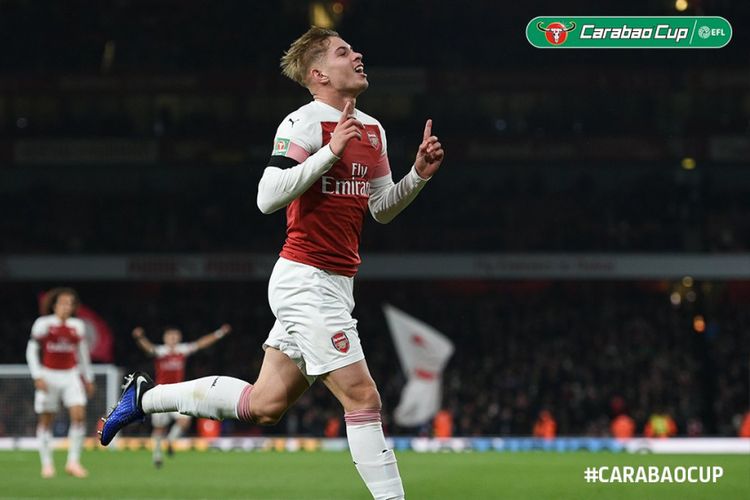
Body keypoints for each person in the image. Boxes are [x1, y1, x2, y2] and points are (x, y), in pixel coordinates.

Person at [101, 26, 444, 500]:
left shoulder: (373, 130)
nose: (358, 54)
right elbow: (267, 197)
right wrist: (329, 153)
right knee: (363, 397)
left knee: (263, 405)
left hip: (338, 281)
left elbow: (381, 206)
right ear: (319, 73)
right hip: (305, 279)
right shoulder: (302, 123)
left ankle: (144, 397)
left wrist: (418, 177)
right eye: (345, 52)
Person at [131, 324, 231, 468]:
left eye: (175, 336)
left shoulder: (182, 350)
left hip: (178, 392)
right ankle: (157, 455)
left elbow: (201, 344)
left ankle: (171, 441)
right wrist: (140, 338)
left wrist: (219, 333)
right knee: (159, 428)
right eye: (170, 336)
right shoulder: (161, 351)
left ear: (179, 337)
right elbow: (148, 348)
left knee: (184, 422)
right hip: (160, 393)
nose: (173, 338)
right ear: (165, 338)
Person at [26, 287, 95, 478]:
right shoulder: (43, 324)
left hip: (70, 374)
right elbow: (31, 351)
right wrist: (37, 375)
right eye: (63, 303)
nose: (67, 306)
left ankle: (73, 462)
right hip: (48, 375)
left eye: (70, 303)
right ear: (54, 305)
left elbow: (82, 355)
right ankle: (47, 464)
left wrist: (88, 378)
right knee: (47, 420)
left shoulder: (77, 326)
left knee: (79, 414)